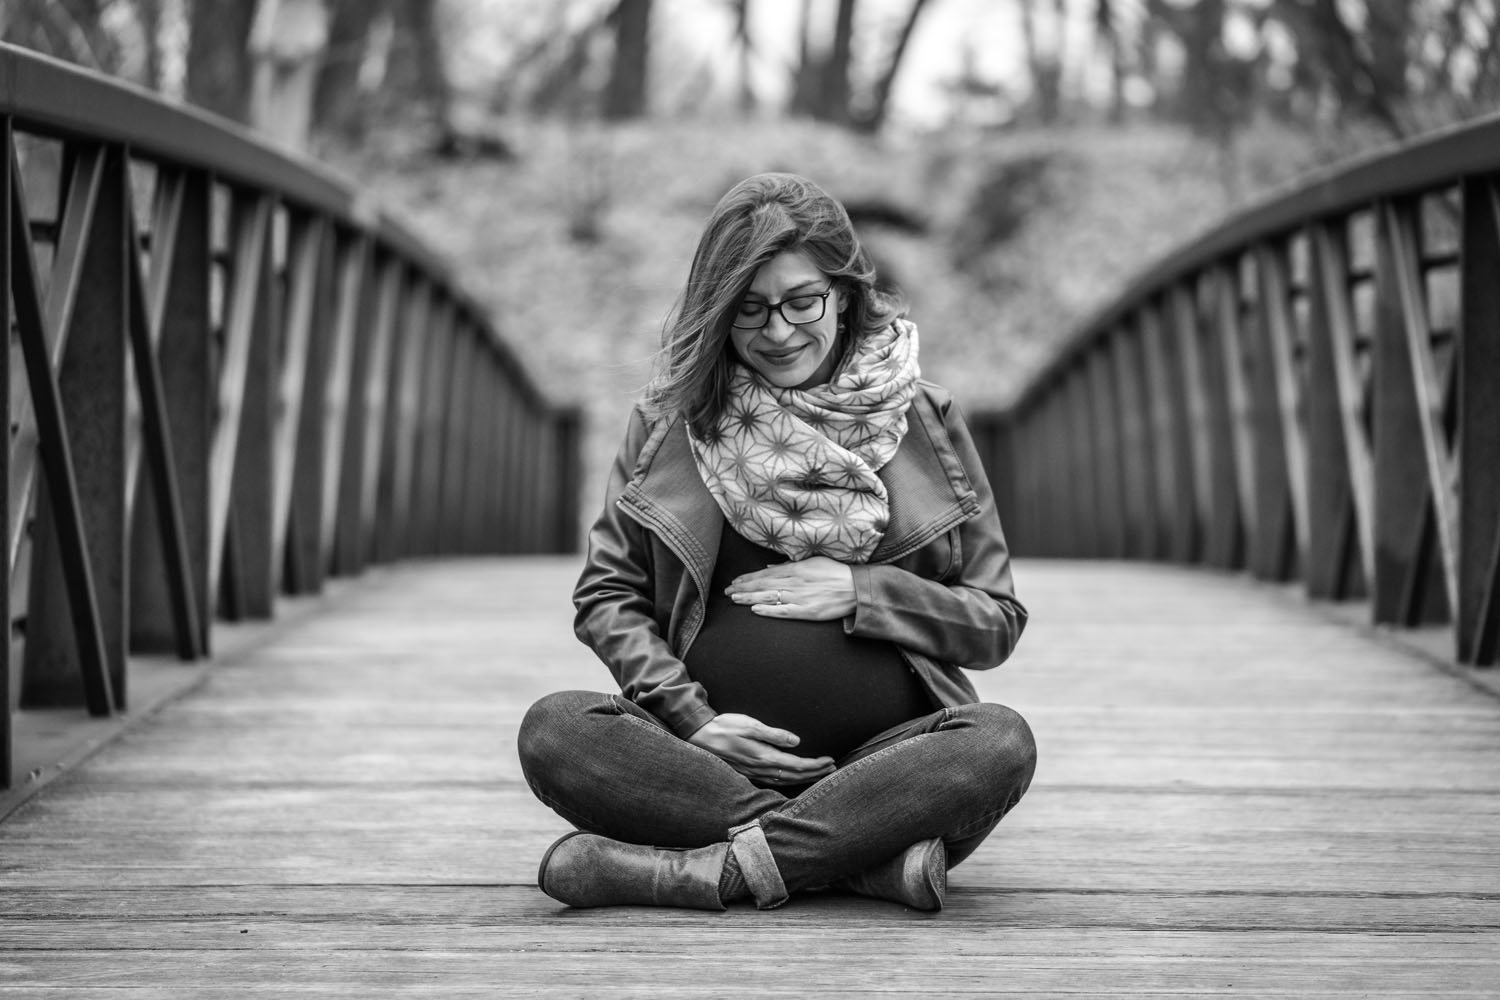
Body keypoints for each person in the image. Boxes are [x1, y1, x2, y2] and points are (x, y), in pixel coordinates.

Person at [517, 172, 1036, 912]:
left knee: (1000, 742)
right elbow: (608, 595)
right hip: (704, 764)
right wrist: (694, 721)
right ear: (718, 312)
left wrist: (862, 591)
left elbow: (994, 620)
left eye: (802, 302)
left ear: (845, 294)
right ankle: (856, 861)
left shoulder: (927, 420)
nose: (780, 332)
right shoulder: (668, 424)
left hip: (886, 767)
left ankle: (709, 870)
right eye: (750, 309)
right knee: (555, 730)